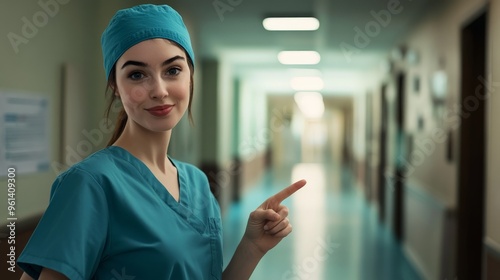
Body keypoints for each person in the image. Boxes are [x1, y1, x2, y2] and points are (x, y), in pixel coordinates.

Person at [17, 4, 306, 280]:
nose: (159, 90)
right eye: (137, 74)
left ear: (190, 76)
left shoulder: (197, 182)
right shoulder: (92, 184)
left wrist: (252, 247)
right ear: (115, 87)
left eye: (173, 70)